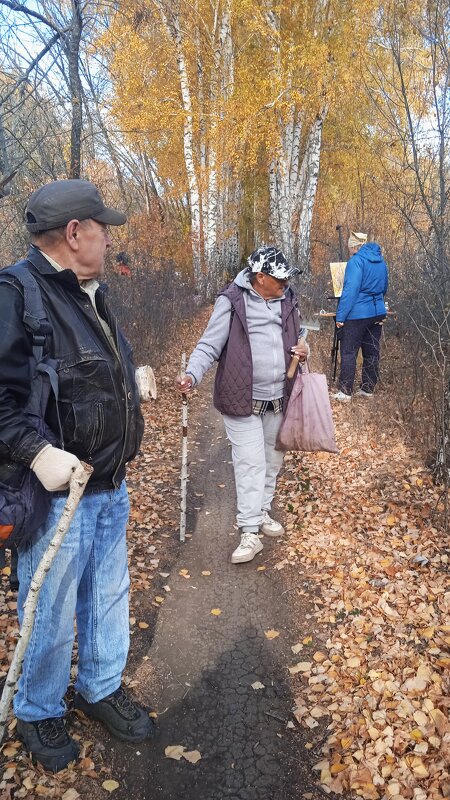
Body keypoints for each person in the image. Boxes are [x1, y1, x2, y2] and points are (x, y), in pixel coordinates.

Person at [0, 180, 155, 772]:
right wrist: (35, 451)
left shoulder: (91, 291)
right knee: (52, 605)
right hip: (56, 496)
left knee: (107, 596)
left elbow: (81, 370)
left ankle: (99, 688)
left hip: (109, 482)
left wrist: (128, 380)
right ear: (74, 233)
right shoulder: (17, 294)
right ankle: (38, 710)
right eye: (102, 227)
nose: (108, 236)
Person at [175, 246, 309, 565]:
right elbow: (210, 343)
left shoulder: (288, 299)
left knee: (272, 462)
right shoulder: (233, 301)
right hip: (241, 398)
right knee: (250, 463)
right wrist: (192, 374)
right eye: (279, 279)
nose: (285, 284)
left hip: (280, 396)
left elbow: (302, 335)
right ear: (260, 278)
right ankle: (249, 531)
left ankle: (261, 512)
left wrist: (304, 349)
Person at [332, 231, 388, 402]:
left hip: (358, 314)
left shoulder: (356, 261)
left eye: (350, 248)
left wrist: (340, 317)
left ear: (355, 247)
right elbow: (385, 287)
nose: (349, 251)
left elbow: (350, 291)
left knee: (349, 351)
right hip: (377, 312)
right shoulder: (381, 261)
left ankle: (345, 391)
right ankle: (367, 389)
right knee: (371, 351)